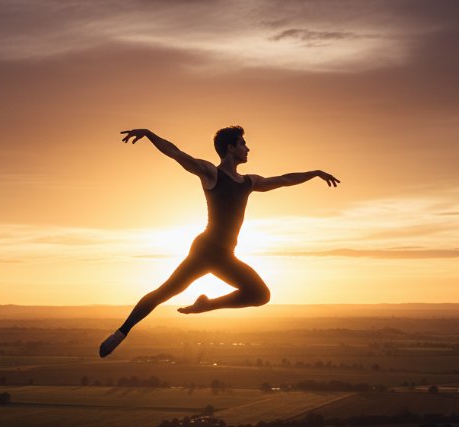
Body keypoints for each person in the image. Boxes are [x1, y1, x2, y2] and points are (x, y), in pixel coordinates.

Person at [99, 126, 339, 358]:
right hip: (206, 250)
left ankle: (205, 305)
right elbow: (178, 154)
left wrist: (315, 173)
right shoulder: (211, 173)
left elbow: (284, 179)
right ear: (231, 147)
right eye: (243, 143)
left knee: (260, 295)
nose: (248, 148)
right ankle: (121, 332)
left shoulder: (249, 182)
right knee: (166, 291)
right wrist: (150, 135)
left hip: (225, 256)